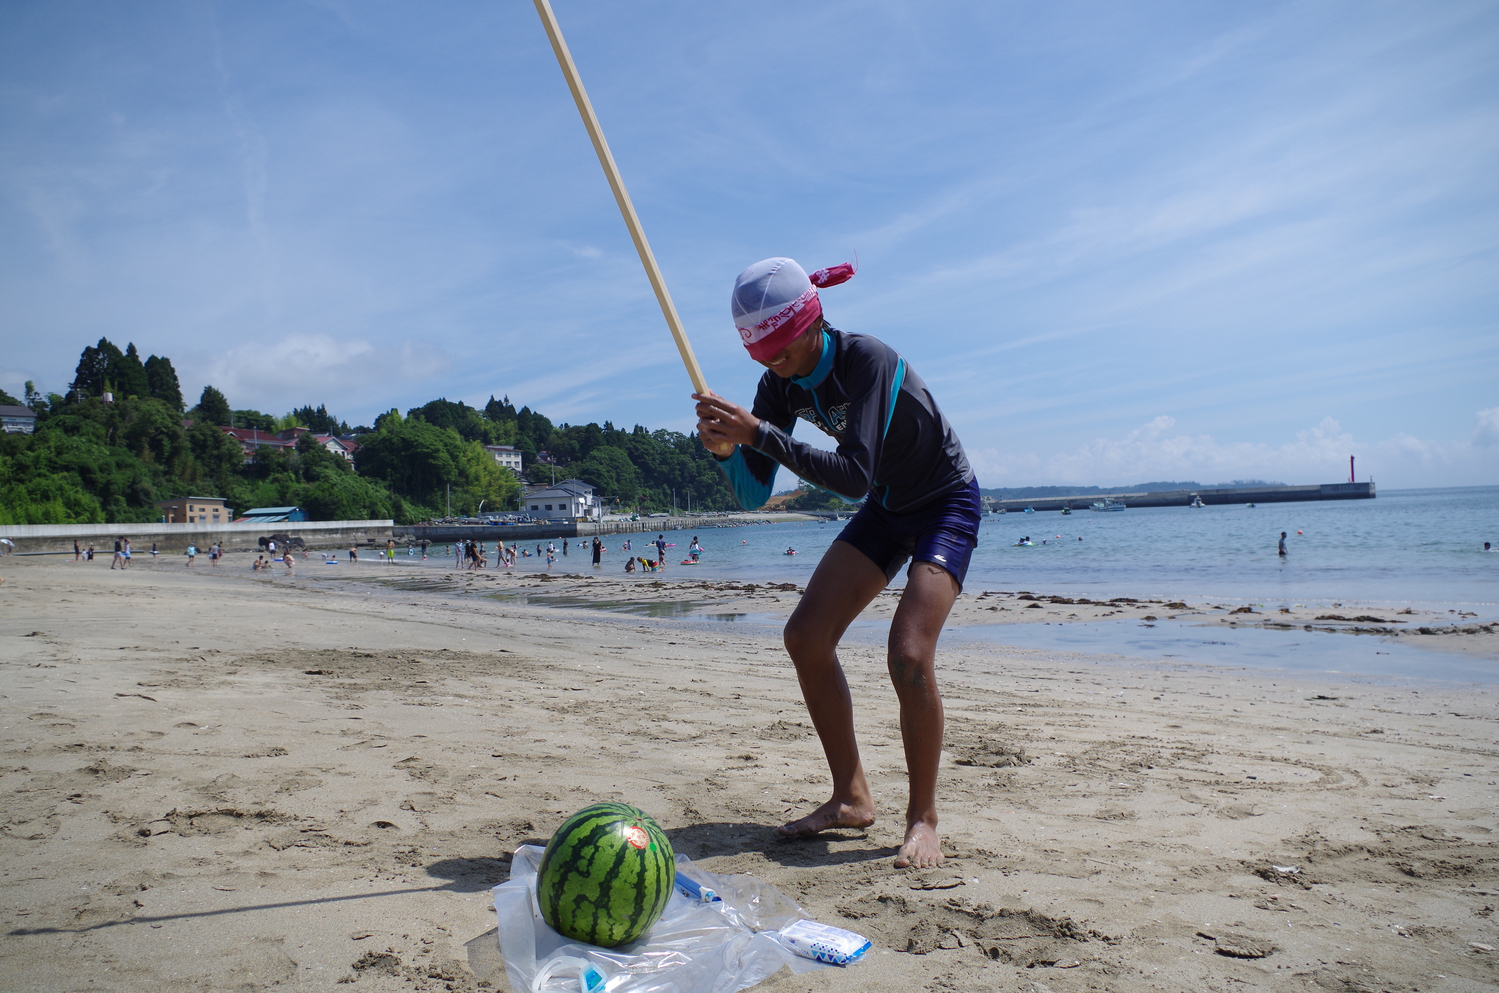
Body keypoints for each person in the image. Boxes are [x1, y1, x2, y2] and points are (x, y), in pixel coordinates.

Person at [693, 256, 978, 870]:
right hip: (888, 506)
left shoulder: (866, 360)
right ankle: (851, 797)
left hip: (944, 503)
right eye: (762, 356)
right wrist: (725, 451)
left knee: (908, 654)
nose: (776, 365)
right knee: (805, 635)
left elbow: (852, 476)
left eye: (783, 350)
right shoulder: (778, 384)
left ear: (813, 321)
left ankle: (923, 817)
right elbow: (753, 494)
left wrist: (759, 435)